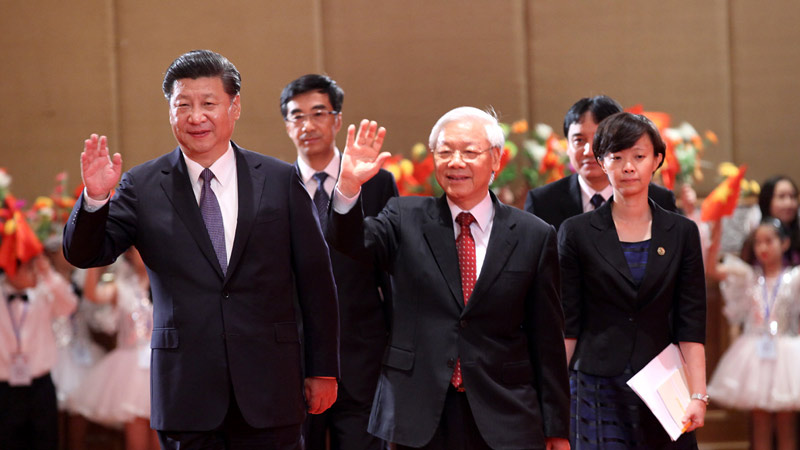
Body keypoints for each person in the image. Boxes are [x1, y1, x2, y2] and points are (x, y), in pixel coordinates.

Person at [63, 49, 340, 449]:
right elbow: (86, 254)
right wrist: (94, 199)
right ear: (170, 111)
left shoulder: (280, 180)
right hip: (185, 392)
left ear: (234, 107)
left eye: (209, 103)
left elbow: (316, 280)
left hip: (271, 386)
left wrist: (323, 369)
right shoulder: (142, 186)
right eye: (183, 105)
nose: (196, 117)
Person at [327, 107, 570, 449]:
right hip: (417, 411)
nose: (456, 162)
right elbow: (349, 242)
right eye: (445, 152)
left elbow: (547, 338)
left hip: (505, 411)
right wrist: (349, 186)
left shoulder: (534, 234)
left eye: (469, 152)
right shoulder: (404, 217)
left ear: (495, 158)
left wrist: (556, 428)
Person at [558, 112, 707, 448]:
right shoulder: (576, 232)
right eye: (617, 157)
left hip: (663, 384)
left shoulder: (681, 232)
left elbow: (691, 321)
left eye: (639, 157)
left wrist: (698, 394)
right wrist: (553, 398)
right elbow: (567, 322)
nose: (628, 167)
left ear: (656, 160)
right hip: (595, 383)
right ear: (602, 162)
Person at [281, 74, 397, 450]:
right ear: (287, 125)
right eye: (297, 116)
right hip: (295, 360)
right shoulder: (273, 187)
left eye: (318, 113)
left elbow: (391, 271)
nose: (308, 125)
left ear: (337, 120)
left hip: (363, 355)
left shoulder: (377, 183)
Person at [706, 218, 800, 450]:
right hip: (755, 354)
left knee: (787, 425)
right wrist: (715, 236)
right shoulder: (748, 276)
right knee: (759, 423)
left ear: (785, 243)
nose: (762, 247)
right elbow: (712, 269)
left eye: (769, 241)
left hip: (787, 354)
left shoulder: (795, 278)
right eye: (758, 242)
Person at [524, 95, 677, 230]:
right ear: (567, 146)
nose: (589, 151)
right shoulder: (542, 202)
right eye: (579, 140)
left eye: (600, 139)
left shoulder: (659, 200)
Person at [1, 246, 78, 449]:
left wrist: (48, 273)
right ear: (11, 269)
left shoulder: (44, 293)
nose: (35, 272)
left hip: (40, 386)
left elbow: (69, 305)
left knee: (46, 442)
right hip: (4, 388)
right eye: (29, 268)